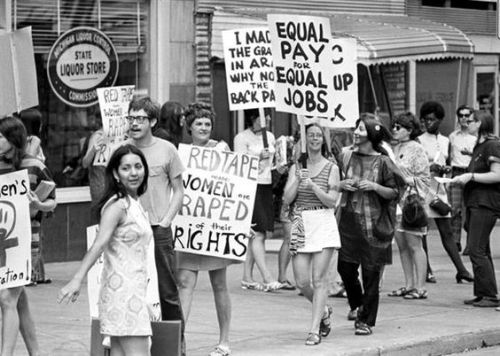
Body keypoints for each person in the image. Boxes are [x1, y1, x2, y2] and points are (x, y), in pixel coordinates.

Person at [59, 144, 152, 355]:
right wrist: (77, 279)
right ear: (116, 175)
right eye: (126, 168)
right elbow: (99, 244)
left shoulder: (134, 202)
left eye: (138, 166)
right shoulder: (118, 205)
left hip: (131, 291)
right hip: (124, 295)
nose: (134, 172)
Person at [126, 96, 186, 348]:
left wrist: (166, 220)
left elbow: (179, 190)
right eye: (131, 118)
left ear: (152, 121)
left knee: (167, 291)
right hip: (129, 229)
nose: (134, 123)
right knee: (131, 289)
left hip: (158, 229)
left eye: (140, 118)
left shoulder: (167, 149)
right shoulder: (123, 150)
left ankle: (176, 346)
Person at [337, 114, 404, 336]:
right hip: (348, 225)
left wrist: (374, 186)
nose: (356, 132)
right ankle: (358, 305)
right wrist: (341, 184)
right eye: (356, 128)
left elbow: (395, 192)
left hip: (374, 227)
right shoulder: (346, 156)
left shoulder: (383, 161)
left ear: (372, 134)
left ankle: (366, 321)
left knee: (371, 274)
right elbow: (333, 182)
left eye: (361, 129)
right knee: (345, 269)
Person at [175, 103, 233, 356]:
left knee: (219, 283)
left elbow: (235, 189)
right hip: (190, 227)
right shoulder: (181, 154)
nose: (203, 127)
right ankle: (179, 340)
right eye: (198, 123)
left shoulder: (222, 149)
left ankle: (224, 340)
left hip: (215, 227)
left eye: (207, 124)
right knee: (185, 282)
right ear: (189, 127)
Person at [0, 115, 57, 356]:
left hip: (25, 241)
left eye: (1, 136)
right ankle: (36, 352)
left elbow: (53, 201)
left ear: (14, 139)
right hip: (2, 242)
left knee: (6, 299)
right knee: (17, 299)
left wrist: (39, 203)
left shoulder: (34, 165)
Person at [283, 123, 339, 345]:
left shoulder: (331, 167)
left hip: (323, 220)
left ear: (323, 139)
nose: (315, 139)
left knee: (319, 279)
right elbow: (287, 199)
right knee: (302, 281)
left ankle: (314, 330)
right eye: (310, 135)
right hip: (300, 221)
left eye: (318, 135)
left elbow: (332, 201)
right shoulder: (296, 166)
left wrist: (314, 186)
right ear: (304, 140)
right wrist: (298, 178)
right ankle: (324, 311)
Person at [418, 102, 473, 284]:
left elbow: (447, 162)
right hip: (422, 189)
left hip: (440, 189)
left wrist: (445, 169)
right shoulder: (419, 140)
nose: (429, 123)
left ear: (440, 120)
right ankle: (426, 270)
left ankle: (461, 270)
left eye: (432, 119)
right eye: (426, 119)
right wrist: (429, 166)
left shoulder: (445, 141)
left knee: (447, 231)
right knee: (423, 231)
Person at [452, 111, 500, 308]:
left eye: (470, 120)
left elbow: (497, 175)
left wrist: (471, 177)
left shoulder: (492, 145)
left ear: (480, 123)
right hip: (474, 201)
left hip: (485, 202)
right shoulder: (479, 145)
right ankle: (482, 292)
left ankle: (489, 294)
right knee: (481, 248)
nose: (465, 123)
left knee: (476, 248)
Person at [234, 108, 282, 291]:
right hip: (249, 185)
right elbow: (238, 163)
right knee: (258, 233)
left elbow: (272, 163)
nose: (267, 120)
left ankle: (247, 276)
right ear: (253, 118)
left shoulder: (269, 136)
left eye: (267, 117)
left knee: (257, 233)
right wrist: (256, 156)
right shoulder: (241, 138)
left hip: (265, 184)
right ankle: (267, 277)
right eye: (263, 117)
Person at [389, 112, 431, 300]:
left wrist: (407, 179)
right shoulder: (394, 148)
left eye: (399, 127)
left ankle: (421, 286)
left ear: (410, 130)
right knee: (402, 245)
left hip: (412, 201)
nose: (394, 130)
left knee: (415, 244)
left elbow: (425, 178)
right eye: (394, 126)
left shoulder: (417, 148)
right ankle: (409, 284)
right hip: (396, 201)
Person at [19, 108, 52, 285]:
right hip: (32, 191)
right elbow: (30, 162)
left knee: (37, 235)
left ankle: (38, 273)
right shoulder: (32, 141)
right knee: (33, 235)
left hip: (37, 191)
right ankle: (31, 272)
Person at [448, 105, 477, 253]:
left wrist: (470, 154)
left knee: (471, 210)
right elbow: (449, 157)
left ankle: (470, 243)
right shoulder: (452, 136)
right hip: (456, 172)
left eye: (467, 115)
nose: (464, 118)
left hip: (471, 173)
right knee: (455, 209)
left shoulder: (476, 137)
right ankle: (455, 242)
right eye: (461, 115)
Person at [82, 128, 106, 224]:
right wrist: (93, 150)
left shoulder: (126, 136)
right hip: (101, 190)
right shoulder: (98, 136)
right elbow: (85, 163)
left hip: (119, 189)